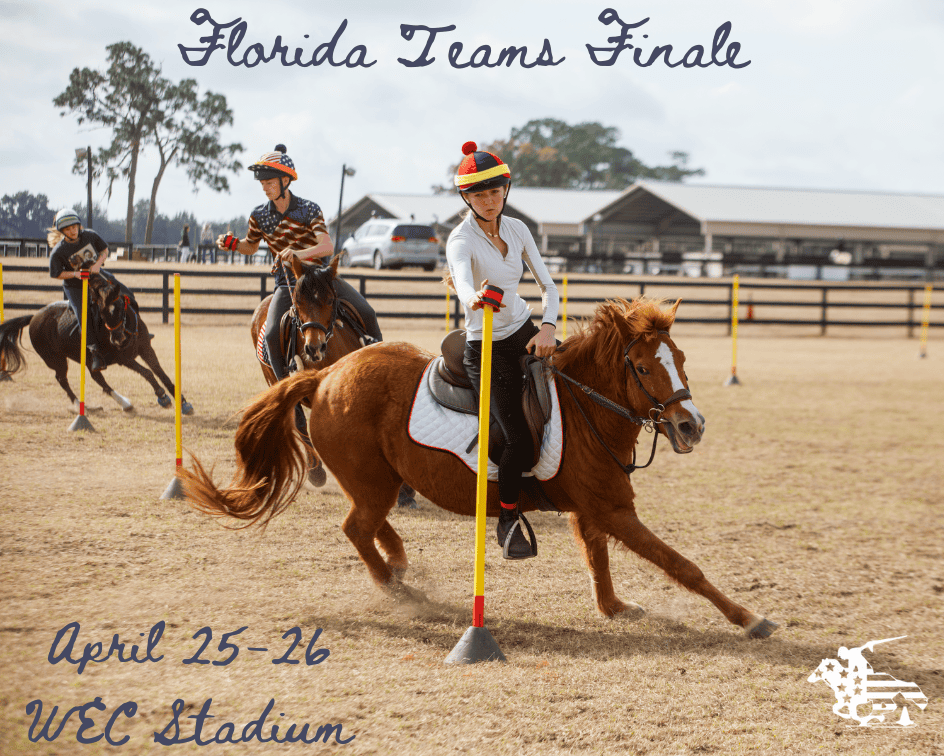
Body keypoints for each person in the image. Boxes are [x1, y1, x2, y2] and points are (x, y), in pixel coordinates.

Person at [445, 141, 560, 560]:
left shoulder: (518, 229)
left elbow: (548, 286)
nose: (489, 201)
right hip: (485, 346)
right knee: (517, 439)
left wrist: (547, 327)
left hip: (526, 331)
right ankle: (508, 518)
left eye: (495, 192)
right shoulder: (460, 239)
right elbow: (461, 282)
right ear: (466, 198)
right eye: (479, 195)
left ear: (506, 190)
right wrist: (473, 298)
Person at [218, 144, 382, 381]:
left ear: (285, 180)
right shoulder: (258, 215)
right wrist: (233, 244)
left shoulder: (309, 209)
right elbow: (251, 246)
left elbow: (327, 247)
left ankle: (377, 371)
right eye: (262, 183)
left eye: (269, 182)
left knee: (367, 312)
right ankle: (284, 387)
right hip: (287, 283)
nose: (264, 188)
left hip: (321, 279)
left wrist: (298, 254)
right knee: (271, 335)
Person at [47, 209, 139, 372]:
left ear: (78, 225)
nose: (72, 231)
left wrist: (97, 264)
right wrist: (75, 274)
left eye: (74, 227)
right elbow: (56, 274)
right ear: (62, 232)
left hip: (96, 275)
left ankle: (137, 328)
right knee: (83, 314)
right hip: (75, 285)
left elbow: (104, 250)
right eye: (68, 229)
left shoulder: (90, 235)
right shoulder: (58, 251)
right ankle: (94, 351)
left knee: (124, 291)